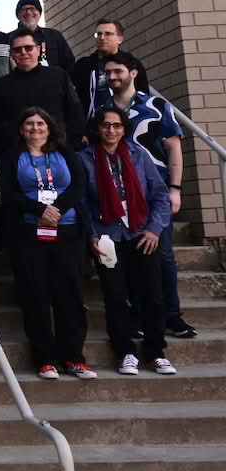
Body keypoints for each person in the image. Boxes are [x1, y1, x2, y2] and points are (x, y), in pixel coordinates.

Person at [99, 55, 195, 338]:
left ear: (133, 72)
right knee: (130, 258)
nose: (112, 77)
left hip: (155, 193)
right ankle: (139, 316)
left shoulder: (156, 106)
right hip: (119, 196)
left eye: (118, 71)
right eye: (108, 73)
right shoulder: (103, 109)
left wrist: (175, 189)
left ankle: (172, 316)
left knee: (163, 255)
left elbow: (174, 148)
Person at [0, 107, 94, 379]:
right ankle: (45, 359)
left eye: (40, 123)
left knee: (70, 294)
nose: (35, 128)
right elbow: (7, 192)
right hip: (28, 233)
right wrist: (40, 210)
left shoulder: (64, 153)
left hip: (68, 231)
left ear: (49, 127)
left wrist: (57, 209)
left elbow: (78, 186)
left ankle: (74, 357)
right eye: (29, 124)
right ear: (21, 129)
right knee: (35, 295)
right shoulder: (11, 157)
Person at [79, 107, 177, 376]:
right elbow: (83, 203)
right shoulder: (84, 158)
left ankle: (156, 351)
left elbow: (159, 195)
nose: (111, 131)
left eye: (117, 126)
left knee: (152, 296)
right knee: (114, 296)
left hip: (141, 234)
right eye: (106, 125)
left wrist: (155, 229)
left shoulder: (138, 155)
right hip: (107, 237)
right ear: (98, 129)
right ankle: (125, 352)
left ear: (124, 129)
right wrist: (92, 235)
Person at [0, 30, 85, 147]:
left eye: (28, 48)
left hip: (59, 150)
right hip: (18, 154)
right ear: (11, 54)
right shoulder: (1, 86)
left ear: (38, 49)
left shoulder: (58, 76)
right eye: (17, 49)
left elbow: (75, 111)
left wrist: (71, 142)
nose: (23, 52)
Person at [72, 18, 151, 118]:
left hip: (126, 123)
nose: (102, 37)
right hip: (91, 126)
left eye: (108, 34)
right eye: (99, 34)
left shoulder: (132, 63)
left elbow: (143, 94)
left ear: (120, 39)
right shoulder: (83, 65)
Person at [13, 0, 75, 72]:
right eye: (24, 9)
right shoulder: (9, 38)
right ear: (18, 15)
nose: (28, 12)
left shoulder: (54, 36)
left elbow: (69, 64)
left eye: (32, 9)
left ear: (39, 13)